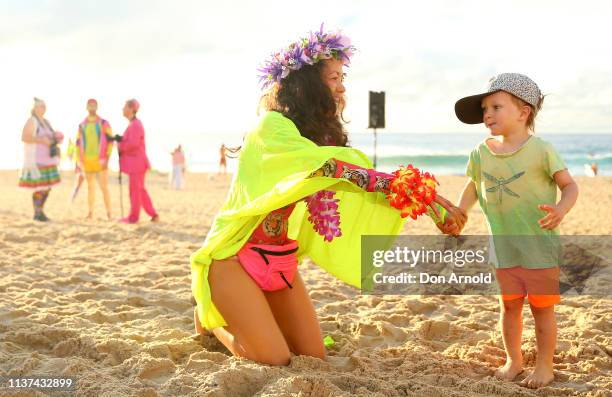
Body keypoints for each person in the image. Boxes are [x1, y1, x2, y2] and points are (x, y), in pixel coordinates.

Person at [190, 26, 466, 366]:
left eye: (342, 76)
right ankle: (211, 321)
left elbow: (353, 179)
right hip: (233, 259)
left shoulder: (312, 136)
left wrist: (425, 200)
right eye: (333, 77)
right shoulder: (271, 127)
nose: (341, 85)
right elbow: (331, 169)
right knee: (274, 359)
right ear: (307, 84)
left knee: (312, 355)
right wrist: (400, 186)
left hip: (278, 259)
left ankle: (245, 314)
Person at [453, 73, 578, 388]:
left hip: (539, 249)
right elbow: (472, 186)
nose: (487, 115)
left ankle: (545, 366)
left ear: (523, 112)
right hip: (503, 249)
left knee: (541, 310)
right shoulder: (481, 152)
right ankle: (514, 360)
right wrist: (458, 212)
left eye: (495, 106)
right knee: (509, 306)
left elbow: (570, 186)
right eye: (484, 110)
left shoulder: (542, 150)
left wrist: (561, 210)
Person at [19, 98, 64, 221]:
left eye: (44, 106)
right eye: (40, 106)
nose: (43, 108)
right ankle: (37, 212)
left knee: (48, 187)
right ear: (34, 108)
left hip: (49, 159)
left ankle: (41, 211)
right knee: (40, 187)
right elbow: (25, 137)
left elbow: (51, 137)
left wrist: (57, 138)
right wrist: (42, 140)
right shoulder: (32, 121)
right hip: (37, 160)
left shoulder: (46, 122)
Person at [116, 99, 159, 223]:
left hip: (137, 163)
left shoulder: (135, 124)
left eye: (124, 107)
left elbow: (133, 144)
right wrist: (121, 139)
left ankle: (134, 217)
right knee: (139, 190)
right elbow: (131, 141)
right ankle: (153, 214)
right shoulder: (133, 124)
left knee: (135, 191)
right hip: (137, 163)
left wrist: (120, 144)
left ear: (131, 109)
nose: (122, 109)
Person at [76, 99, 114, 220]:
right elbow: (77, 143)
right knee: (90, 188)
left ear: (97, 107)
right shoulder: (82, 125)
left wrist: (107, 158)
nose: (92, 108)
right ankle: (90, 212)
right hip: (87, 161)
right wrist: (79, 160)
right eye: (90, 105)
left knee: (104, 187)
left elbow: (110, 141)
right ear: (86, 107)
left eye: (94, 105)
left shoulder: (104, 123)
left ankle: (109, 213)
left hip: (101, 161)